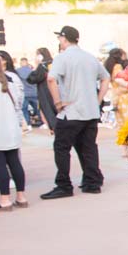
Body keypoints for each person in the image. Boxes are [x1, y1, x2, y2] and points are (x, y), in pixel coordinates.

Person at [41, 26, 109, 199]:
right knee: (89, 147)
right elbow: (105, 77)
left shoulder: (62, 58)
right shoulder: (90, 58)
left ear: (64, 39)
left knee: (61, 148)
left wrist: (57, 102)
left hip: (71, 111)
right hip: (90, 110)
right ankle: (92, 182)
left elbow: (51, 78)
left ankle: (64, 184)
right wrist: (98, 100)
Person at [0, 53, 27, 212]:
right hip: (11, 129)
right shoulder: (10, 82)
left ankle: (4, 200)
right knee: (15, 163)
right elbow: (18, 105)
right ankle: (21, 197)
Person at [105, 48, 128, 158]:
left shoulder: (110, 67)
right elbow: (119, 80)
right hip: (127, 98)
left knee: (122, 125)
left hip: (118, 99)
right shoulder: (118, 67)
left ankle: (125, 150)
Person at [28, 48, 56, 133]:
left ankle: (54, 129)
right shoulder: (53, 63)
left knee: (49, 112)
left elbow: (32, 78)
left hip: (45, 92)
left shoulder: (42, 66)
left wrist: (37, 65)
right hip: (55, 91)